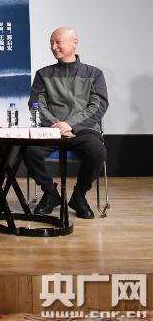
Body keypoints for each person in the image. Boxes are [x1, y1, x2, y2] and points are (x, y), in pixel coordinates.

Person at [24, 27, 108, 219]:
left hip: (84, 130)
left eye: (58, 42)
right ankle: (50, 194)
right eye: (51, 43)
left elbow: (99, 105)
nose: (54, 47)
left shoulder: (94, 73)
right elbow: (36, 104)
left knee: (98, 152)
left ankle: (79, 196)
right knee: (29, 151)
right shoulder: (43, 74)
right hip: (51, 130)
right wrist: (56, 126)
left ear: (74, 42)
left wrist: (71, 125)